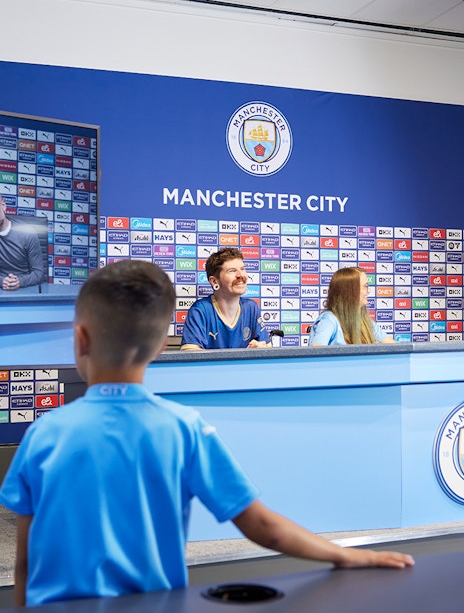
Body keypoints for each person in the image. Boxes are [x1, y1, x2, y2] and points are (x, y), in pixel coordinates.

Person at [0, 260, 413, 607]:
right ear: (163, 344)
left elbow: (24, 563)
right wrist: (344, 556)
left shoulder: (43, 434)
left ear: (80, 338)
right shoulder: (185, 429)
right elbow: (262, 526)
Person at [180, 247, 271, 350]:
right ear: (214, 281)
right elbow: (191, 355)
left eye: (243, 269)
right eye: (232, 271)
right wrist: (243, 356)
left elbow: (268, 350)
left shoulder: (251, 307)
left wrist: (261, 350)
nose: (240, 275)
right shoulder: (201, 310)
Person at [309, 266, 396, 346]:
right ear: (350, 291)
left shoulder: (365, 321)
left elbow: (394, 347)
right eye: (365, 286)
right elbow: (315, 352)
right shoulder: (329, 320)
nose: (368, 291)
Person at [0, 194, 45, 290]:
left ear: (3, 206)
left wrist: (19, 282)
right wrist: (2, 281)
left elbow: (38, 273)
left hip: (25, 289)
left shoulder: (27, 233)